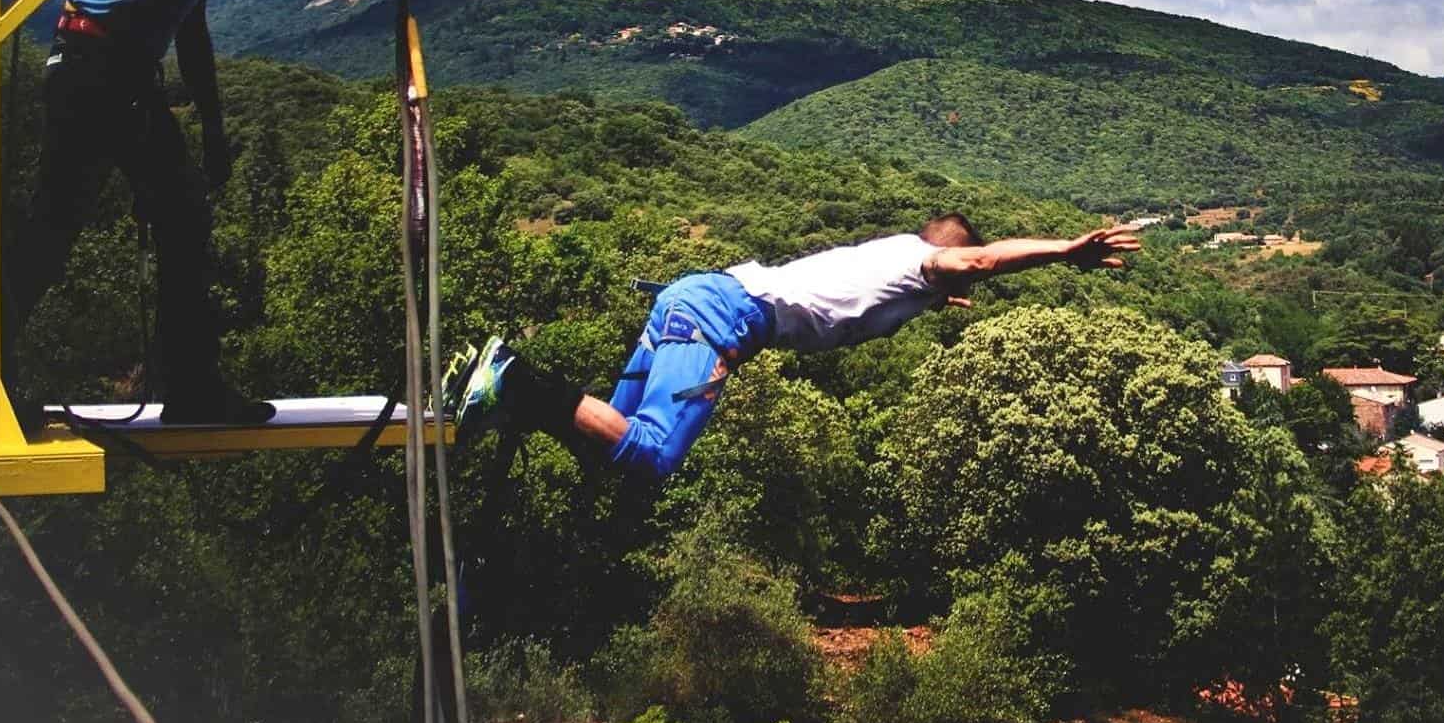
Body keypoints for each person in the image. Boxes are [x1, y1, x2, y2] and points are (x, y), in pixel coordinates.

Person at [7, 0, 417, 433]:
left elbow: (191, 34)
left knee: (79, 224)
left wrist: (215, 132)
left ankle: (179, 387)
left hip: (97, 68)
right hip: (99, 68)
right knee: (126, 220)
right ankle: (189, 390)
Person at [446, 214, 1141, 479]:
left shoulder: (902, 267)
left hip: (688, 299)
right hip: (723, 319)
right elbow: (982, 262)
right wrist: (1065, 252)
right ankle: (513, 377)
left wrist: (942, 292)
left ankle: (496, 394)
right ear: (948, 254)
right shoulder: (926, 261)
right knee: (653, 455)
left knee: (609, 454)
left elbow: (943, 283)